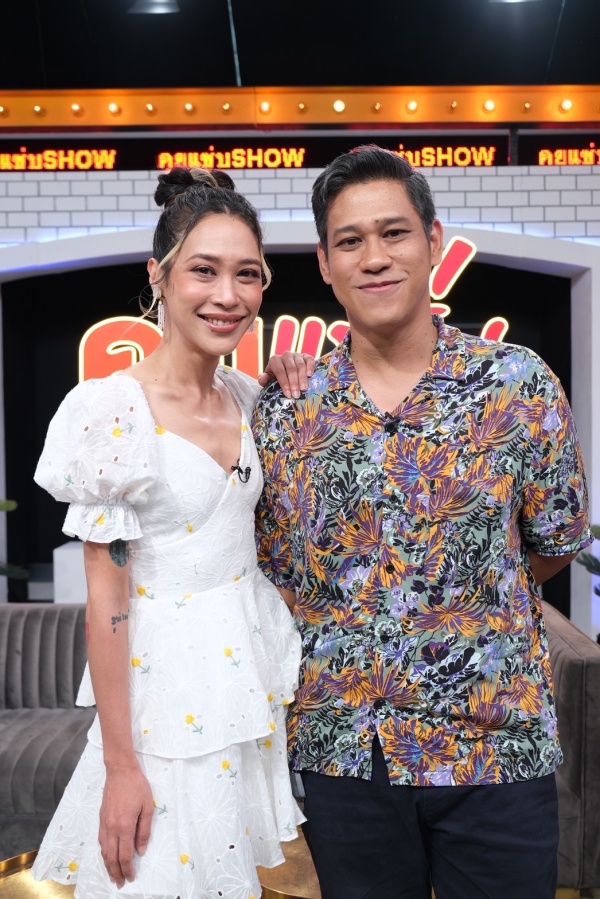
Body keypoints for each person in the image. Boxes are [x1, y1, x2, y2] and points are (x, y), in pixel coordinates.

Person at [252, 145, 593, 899]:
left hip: (493, 746)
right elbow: (280, 574)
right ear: (325, 263)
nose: (374, 257)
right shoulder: (287, 410)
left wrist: (462, 601)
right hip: (347, 753)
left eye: (394, 232)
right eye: (350, 241)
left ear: (433, 241)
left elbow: (554, 541)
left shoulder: (517, 385)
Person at [32, 166, 313, 899]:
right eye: (204, 270)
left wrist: (291, 368)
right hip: (162, 698)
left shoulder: (248, 396)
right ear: (158, 275)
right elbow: (107, 603)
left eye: (247, 274)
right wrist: (122, 765)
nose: (228, 294)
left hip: (240, 683)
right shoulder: (112, 410)